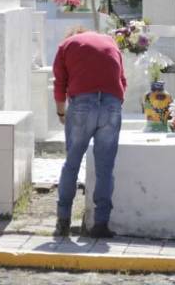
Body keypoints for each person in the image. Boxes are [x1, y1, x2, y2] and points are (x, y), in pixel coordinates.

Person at [52, 26, 126, 237]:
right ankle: (101, 224)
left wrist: (61, 113)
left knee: (72, 162)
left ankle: (63, 221)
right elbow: (122, 80)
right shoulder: (110, 42)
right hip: (111, 103)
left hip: (82, 103)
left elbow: (60, 83)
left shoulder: (66, 45)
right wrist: (113, 104)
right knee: (105, 167)